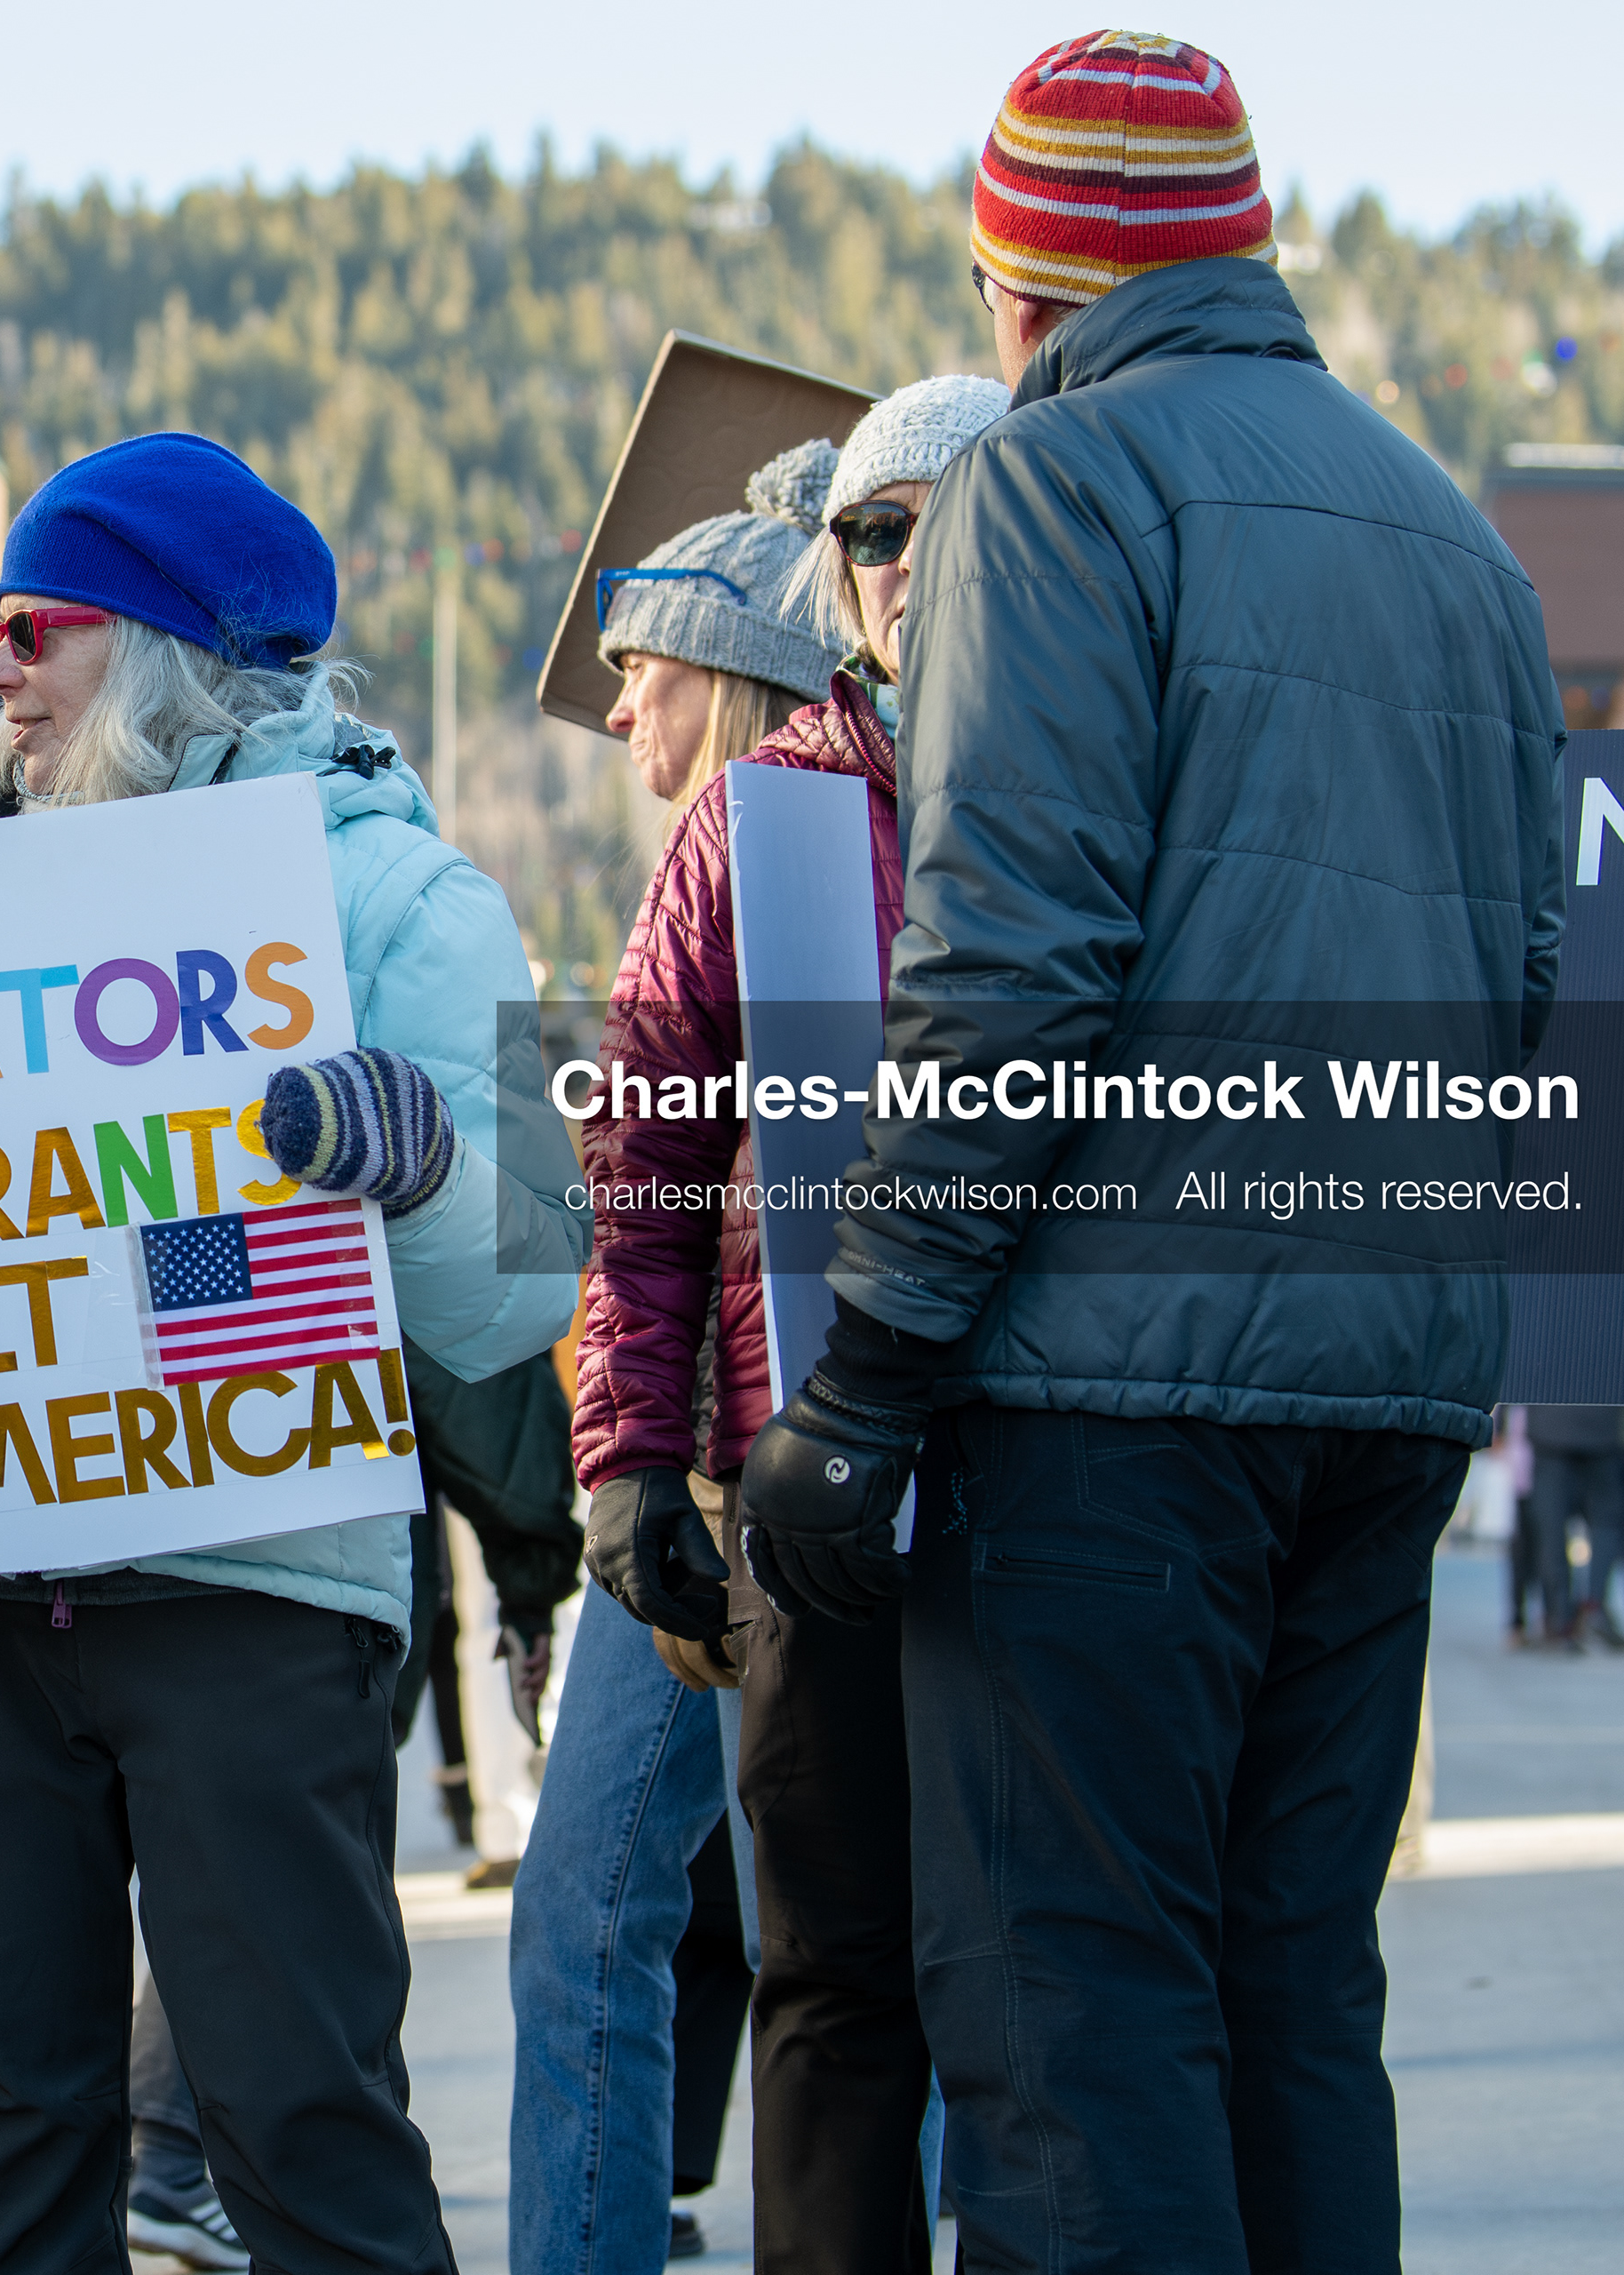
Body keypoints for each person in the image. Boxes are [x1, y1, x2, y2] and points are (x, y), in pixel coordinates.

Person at [732, 35, 1566, 2274]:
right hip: (1383, 1384)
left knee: (1074, 2017)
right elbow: (1512, 989)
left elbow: (1008, 962)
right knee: (1297, 1998)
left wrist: (870, 1374)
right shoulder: (1460, 546)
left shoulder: (1051, 488)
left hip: (1106, 1396)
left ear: (1022, 282)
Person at [0, 429, 585, 2275]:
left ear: (175, 647)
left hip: (253, 1585)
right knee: (2, 2118)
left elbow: (534, 1269)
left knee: (298, 2113)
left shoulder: (413, 900)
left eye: (35, 627)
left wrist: (413, 1162)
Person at [576, 376, 1013, 2273]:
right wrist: (630, 1462)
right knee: (829, 1976)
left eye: (947, 515)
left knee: (1049, 1984)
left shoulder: (1119, 778)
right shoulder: (762, 819)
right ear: (830, 571)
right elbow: (651, 1168)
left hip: (1073, 1474)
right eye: (871, 528)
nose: (903, 561)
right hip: (808, 1487)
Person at [516, 443, 838, 2275]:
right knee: (600, 1911)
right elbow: (639, 1196)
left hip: (784, 1473)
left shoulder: (829, 839)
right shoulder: (701, 865)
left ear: (722, 665)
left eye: (641, 659)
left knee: (829, 1936)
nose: (616, 694)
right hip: (695, 1477)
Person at [1520, 1406, 1623, 1649]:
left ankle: (1560, 1621)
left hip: (1550, 1426)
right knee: (1606, 1522)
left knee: (1551, 1528)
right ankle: (1594, 1605)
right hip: (1603, 1426)